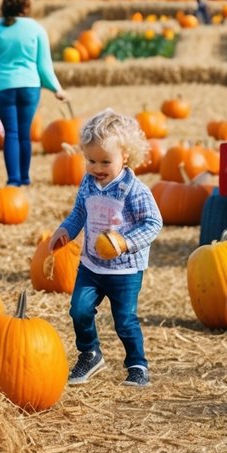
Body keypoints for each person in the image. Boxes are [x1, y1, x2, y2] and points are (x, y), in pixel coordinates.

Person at [48, 109, 163, 388]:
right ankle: (90, 353)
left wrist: (126, 242)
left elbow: (153, 223)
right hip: (91, 266)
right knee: (79, 310)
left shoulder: (135, 190)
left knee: (125, 320)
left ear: (125, 156)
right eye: (91, 160)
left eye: (105, 161)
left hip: (125, 269)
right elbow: (79, 213)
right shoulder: (88, 183)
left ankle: (137, 365)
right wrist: (66, 230)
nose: (97, 168)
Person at [0, 0, 67, 187]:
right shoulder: (36, 29)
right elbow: (44, 67)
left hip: (3, 88)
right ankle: (25, 178)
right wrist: (57, 88)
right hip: (29, 88)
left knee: (11, 133)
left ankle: (13, 180)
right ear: (28, 4)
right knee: (24, 133)